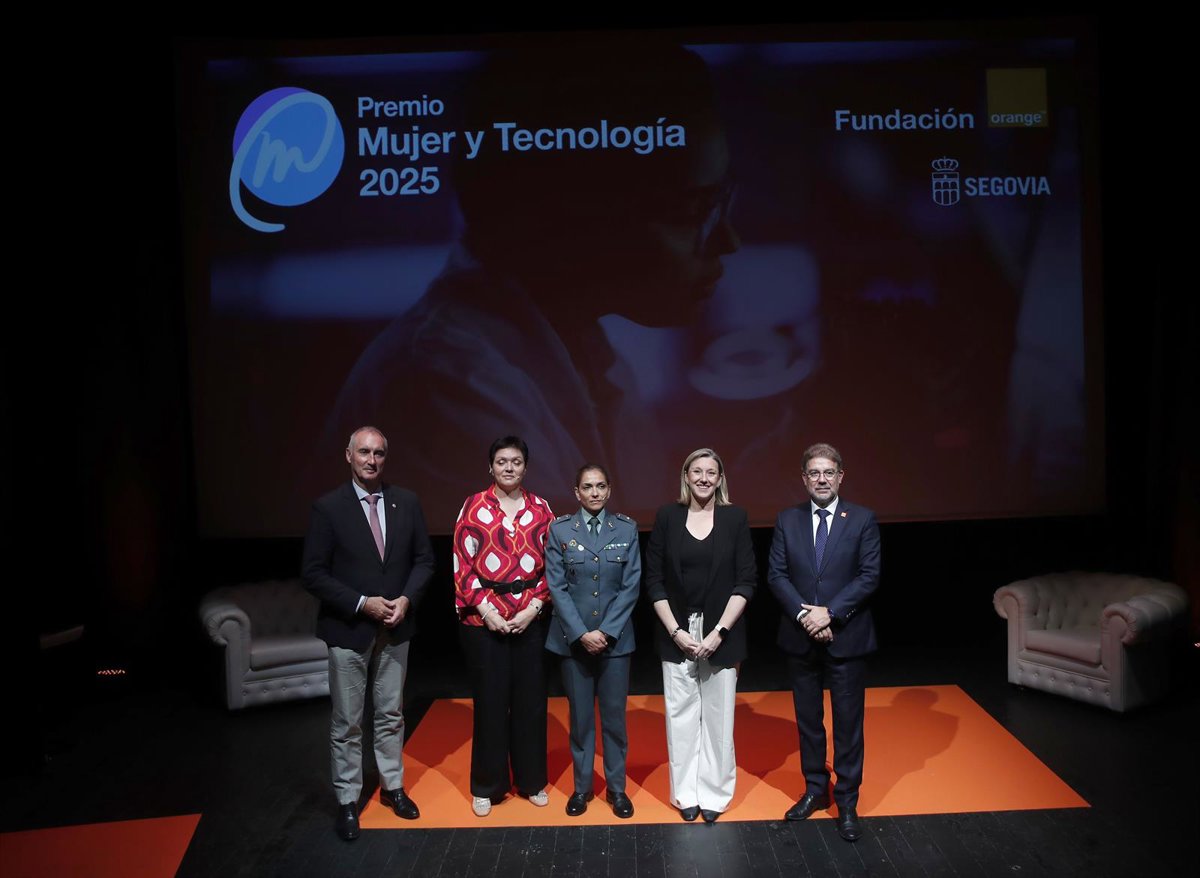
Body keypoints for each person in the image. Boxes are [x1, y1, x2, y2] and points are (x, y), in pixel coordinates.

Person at [322, 43, 740, 529]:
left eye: (722, 202)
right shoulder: (448, 381)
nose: (728, 240)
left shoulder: (593, 362)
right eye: (694, 210)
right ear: (581, 211)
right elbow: (570, 569)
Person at [302, 426, 435, 841]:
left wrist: (406, 600)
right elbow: (313, 573)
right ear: (349, 456)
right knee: (347, 722)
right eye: (364, 452)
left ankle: (393, 787)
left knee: (391, 714)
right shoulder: (328, 508)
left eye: (378, 453)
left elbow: (424, 561)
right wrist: (363, 603)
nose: (371, 460)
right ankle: (348, 800)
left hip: (396, 627)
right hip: (348, 630)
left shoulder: (406, 502)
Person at [767, 442, 881, 842]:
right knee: (809, 722)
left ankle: (847, 800)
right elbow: (777, 575)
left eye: (828, 472)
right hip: (801, 637)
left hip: (847, 637)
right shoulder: (787, 519)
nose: (821, 479)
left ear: (840, 477)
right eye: (814, 473)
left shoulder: (862, 519)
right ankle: (816, 790)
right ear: (804, 479)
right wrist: (807, 617)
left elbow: (869, 575)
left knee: (848, 724)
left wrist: (829, 613)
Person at [645, 447, 756, 823]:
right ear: (686, 476)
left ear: (720, 478)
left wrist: (719, 631)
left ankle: (714, 793)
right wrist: (675, 631)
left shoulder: (735, 518)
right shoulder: (667, 516)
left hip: (722, 632)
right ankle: (685, 794)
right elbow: (654, 580)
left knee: (719, 717)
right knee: (680, 716)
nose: (704, 478)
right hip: (676, 631)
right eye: (697, 471)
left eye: (711, 472)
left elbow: (746, 581)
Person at [453, 435, 555, 816]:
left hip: (531, 618)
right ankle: (487, 785)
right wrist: (489, 613)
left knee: (531, 703)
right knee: (490, 703)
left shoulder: (541, 508)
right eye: (501, 461)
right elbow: (462, 566)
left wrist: (533, 609)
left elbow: (554, 567)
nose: (509, 467)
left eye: (516, 461)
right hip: (484, 622)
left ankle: (531, 781)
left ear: (525, 468)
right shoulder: (473, 507)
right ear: (490, 467)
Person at [544, 464, 641, 818]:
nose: (595, 492)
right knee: (581, 720)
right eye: (588, 486)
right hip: (573, 642)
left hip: (615, 642)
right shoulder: (559, 530)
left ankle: (617, 789)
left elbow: (631, 585)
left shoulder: (627, 529)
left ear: (609, 489)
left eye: (601, 486)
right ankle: (581, 789)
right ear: (577, 492)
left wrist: (606, 631)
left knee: (614, 720)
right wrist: (582, 633)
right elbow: (556, 586)